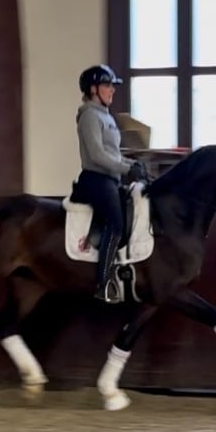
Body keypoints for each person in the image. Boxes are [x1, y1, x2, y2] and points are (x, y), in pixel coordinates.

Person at [74, 64, 147, 304]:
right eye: (107, 86)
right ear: (94, 89)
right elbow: (96, 155)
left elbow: (113, 153)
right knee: (116, 223)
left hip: (110, 178)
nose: (112, 91)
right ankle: (103, 283)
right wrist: (127, 167)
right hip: (95, 179)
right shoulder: (89, 115)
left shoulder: (106, 116)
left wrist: (133, 164)